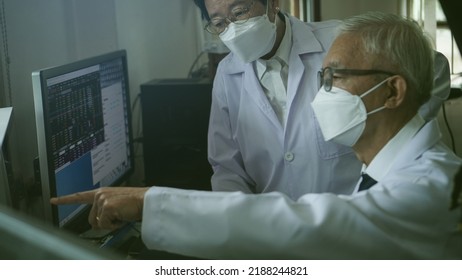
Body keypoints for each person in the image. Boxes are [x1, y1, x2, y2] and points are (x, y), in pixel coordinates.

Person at [52, 11, 462, 259]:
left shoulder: (433, 186)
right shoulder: (380, 173)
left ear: (392, 90)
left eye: (334, 77)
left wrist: (150, 202)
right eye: (218, 20)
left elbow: (318, 224)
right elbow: (227, 168)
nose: (324, 93)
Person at [194, 0, 451, 199]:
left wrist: (397, 136)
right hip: (275, 232)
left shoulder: (339, 41)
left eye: (239, 12)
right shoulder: (228, 74)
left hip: (355, 215)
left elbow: (435, 68)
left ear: (272, 4)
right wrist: (240, 223)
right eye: (219, 24)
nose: (232, 30)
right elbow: (227, 167)